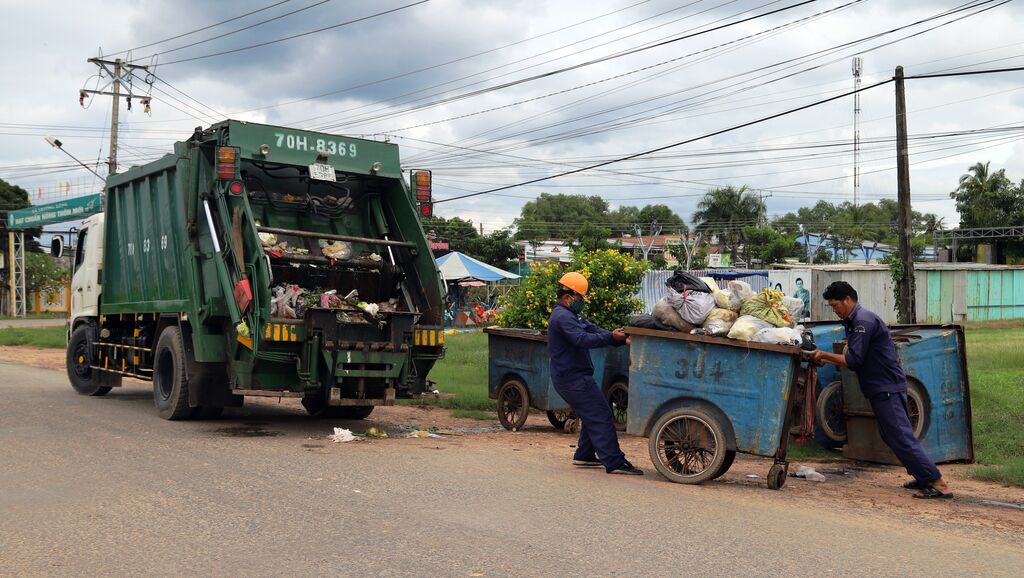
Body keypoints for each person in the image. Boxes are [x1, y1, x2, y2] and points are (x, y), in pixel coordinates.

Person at [811, 281, 951, 499]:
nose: (834, 309)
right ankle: (924, 477)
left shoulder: (862, 321)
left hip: (886, 387)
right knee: (892, 436)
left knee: (901, 437)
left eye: (835, 304)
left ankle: (937, 482)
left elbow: (854, 360)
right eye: (831, 305)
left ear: (848, 300)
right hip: (881, 386)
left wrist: (824, 355)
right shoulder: (855, 320)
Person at [547, 272, 643, 475]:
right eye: (581, 298)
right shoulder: (562, 317)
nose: (582, 302)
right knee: (600, 414)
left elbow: (592, 329)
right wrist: (610, 337)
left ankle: (584, 455)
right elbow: (582, 339)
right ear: (568, 296)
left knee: (592, 413)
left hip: (574, 377)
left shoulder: (572, 315)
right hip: (571, 378)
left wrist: (618, 338)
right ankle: (614, 461)